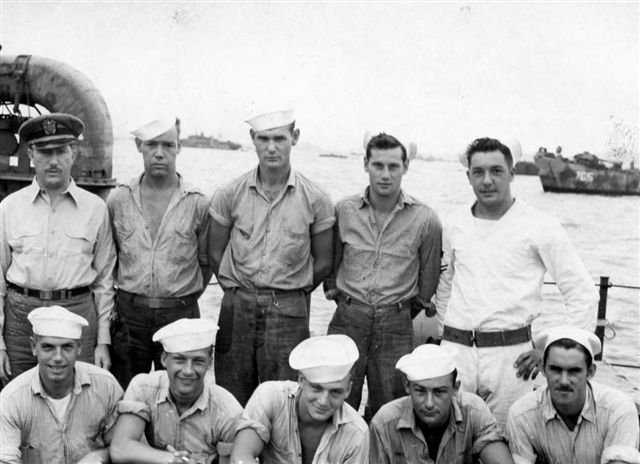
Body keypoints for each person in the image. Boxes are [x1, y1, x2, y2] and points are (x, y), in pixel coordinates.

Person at [435, 136, 598, 428]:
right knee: (450, 439)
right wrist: (444, 340)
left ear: (512, 173)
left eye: (496, 171)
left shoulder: (541, 226)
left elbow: (582, 293)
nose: (487, 180)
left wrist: (551, 350)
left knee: (505, 441)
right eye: (478, 172)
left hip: (511, 361)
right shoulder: (453, 224)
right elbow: (444, 284)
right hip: (456, 354)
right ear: (468, 176)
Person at [208, 108, 335, 405]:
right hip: (237, 308)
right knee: (231, 397)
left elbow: (325, 261)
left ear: (295, 138)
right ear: (253, 139)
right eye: (263, 139)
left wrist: (293, 292)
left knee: (285, 399)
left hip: (288, 310)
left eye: (279, 138)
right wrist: (236, 291)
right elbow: (214, 251)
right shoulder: (230, 193)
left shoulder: (316, 198)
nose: (271, 147)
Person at [324, 132, 442, 416]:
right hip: (348, 319)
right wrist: (345, 300)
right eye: (378, 165)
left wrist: (402, 310)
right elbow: (332, 263)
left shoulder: (425, 218)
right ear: (366, 164)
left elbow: (428, 278)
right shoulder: (344, 210)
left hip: (395, 324)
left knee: (391, 408)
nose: (385, 175)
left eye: (393, 166)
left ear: (406, 167)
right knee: (336, 400)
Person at [0, 113, 116, 383]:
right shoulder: (9, 208)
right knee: (17, 393)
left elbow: (105, 280)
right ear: (31, 154)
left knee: (79, 392)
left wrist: (103, 341)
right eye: (44, 152)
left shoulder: (95, 209)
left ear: (73, 152)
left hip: (77, 313)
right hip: (20, 318)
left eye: (60, 151)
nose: (53, 161)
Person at [107, 117, 212, 387]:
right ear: (138, 145)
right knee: (125, 393)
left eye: (168, 145)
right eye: (151, 144)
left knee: (180, 393)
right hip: (129, 316)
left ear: (179, 147)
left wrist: (180, 297)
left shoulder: (198, 203)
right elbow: (110, 259)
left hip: (180, 315)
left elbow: (206, 262)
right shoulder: (119, 199)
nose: (159, 153)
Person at [0, 305, 123, 464]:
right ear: (33, 347)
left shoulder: (106, 386)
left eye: (66, 347)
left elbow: (124, 445)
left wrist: (99, 456)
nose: (58, 357)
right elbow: (5, 459)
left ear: (79, 347)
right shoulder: (12, 399)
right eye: (48, 347)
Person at [110, 318, 242, 464]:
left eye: (198, 361)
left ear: (209, 363)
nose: (188, 371)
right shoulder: (144, 388)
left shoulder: (227, 412)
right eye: (180, 360)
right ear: (164, 359)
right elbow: (120, 449)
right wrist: (173, 460)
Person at [507, 326, 640, 464]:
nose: (564, 381)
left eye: (574, 371)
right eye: (555, 369)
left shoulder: (618, 409)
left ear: (590, 372)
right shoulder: (521, 415)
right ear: (543, 368)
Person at [230, 334, 369, 464]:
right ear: (301, 380)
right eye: (316, 388)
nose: (323, 401)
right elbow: (240, 457)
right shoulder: (270, 396)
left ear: (348, 389)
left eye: (335, 392)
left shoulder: (356, 433)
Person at [370, 344, 514, 463]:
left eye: (439, 392)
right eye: (420, 391)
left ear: (455, 389)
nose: (429, 403)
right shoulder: (384, 423)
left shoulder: (473, 411)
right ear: (407, 386)